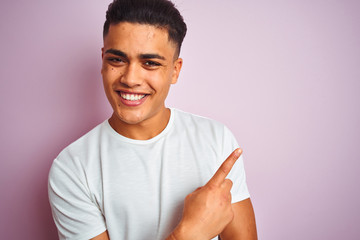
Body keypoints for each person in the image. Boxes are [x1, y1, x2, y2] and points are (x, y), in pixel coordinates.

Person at [48, 0, 257, 239]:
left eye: (150, 63)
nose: (130, 78)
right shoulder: (72, 168)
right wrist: (189, 234)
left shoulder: (216, 139)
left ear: (175, 71)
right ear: (103, 60)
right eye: (117, 59)